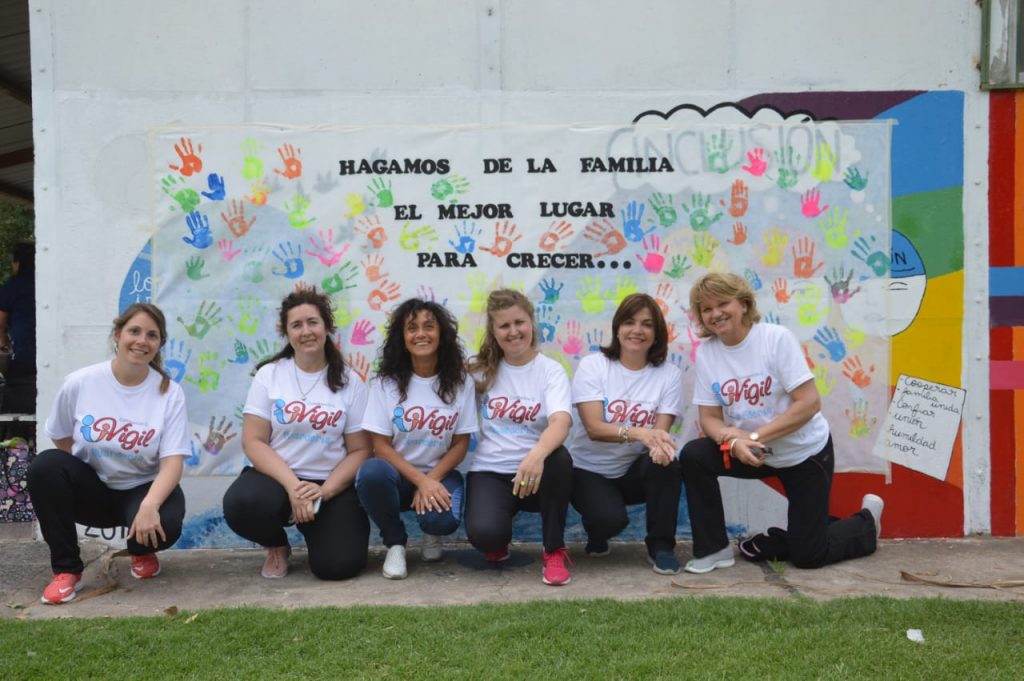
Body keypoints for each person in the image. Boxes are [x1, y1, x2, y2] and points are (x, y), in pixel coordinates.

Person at [679, 272, 882, 574]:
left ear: (744, 304)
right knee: (694, 456)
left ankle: (866, 521)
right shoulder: (708, 352)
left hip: (803, 453)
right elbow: (709, 417)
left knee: (809, 556)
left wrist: (753, 436)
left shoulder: (775, 339)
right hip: (751, 452)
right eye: (706, 309)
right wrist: (732, 441)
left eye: (723, 303)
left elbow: (809, 402)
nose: (715, 313)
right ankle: (714, 549)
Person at [28, 303, 188, 604]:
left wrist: (149, 505)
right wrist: (89, 469)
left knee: (166, 523)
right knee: (45, 466)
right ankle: (66, 572)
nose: (142, 340)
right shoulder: (80, 383)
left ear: (159, 344)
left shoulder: (170, 392)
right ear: (118, 334)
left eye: (152, 335)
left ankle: (141, 550)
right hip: (94, 491)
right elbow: (61, 436)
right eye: (134, 331)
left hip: (140, 490)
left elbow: (172, 463)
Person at [223, 288, 370, 580]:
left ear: (327, 327)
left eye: (313, 322)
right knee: (241, 504)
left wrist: (323, 492)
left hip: (330, 485)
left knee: (338, 567)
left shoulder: (350, 382)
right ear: (286, 332)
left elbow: (361, 451)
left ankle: (316, 525)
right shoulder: (270, 375)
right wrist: (293, 487)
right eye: (297, 325)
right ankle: (277, 544)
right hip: (278, 479)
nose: (306, 331)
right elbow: (254, 441)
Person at [356, 298, 476, 580]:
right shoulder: (384, 384)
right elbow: (380, 446)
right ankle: (395, 543)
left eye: (429, 326)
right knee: (371, 472)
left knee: (442, 520)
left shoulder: (461, 382)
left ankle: (432, 533)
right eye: (412, 328)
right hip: (395, 478)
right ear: (402, 337)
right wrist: (420, 481)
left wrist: (431, 479)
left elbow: (460, 444)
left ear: (441, 334)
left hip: (441, 474)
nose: (421, 333)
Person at [464, 289, 574, 586]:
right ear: (493, 331)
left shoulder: (550, 371)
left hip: (537, 474)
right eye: (504, 326)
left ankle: (553, 550)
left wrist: (536, 456)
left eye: (519, 322)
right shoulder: (479, 372)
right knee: (485, 536)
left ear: (531, 323)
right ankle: (498, 537)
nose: (514, 332)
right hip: (491, 471)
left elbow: (561, 421)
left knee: (559, 458)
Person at [569, 293, 684, 575]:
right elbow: (594, 428)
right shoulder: (593, 365)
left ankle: (661, 547)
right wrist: (641, 434)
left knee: (668, 461)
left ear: (656, 334)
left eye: (647, 324)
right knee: (609, 519)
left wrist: (658, 445)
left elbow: (659, 433)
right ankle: (597, 530)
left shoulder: (669, 374)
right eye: (630, 322)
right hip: (588, 471)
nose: (637, 330)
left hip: (632, 471)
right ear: (617, 328)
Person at [0, 242, 36, 413]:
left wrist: (3, 340)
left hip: (22, 355)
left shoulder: (13, 286)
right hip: (51, 351)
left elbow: (0, 319)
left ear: (19, 263)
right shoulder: (50, 284)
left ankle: (19, 433)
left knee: (17, 392)